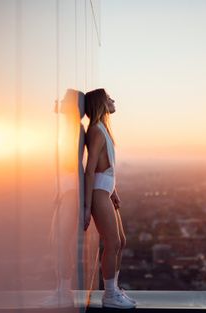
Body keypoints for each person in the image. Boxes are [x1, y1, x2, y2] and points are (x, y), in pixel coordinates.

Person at [83, 88, 136, 309]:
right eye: (108, 98)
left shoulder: (103, 129)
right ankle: (110, 295)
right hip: (98, 194)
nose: (113, 100)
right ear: (101, 103)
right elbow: (90, 169)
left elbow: (106, 167)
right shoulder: (95, 130)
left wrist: (113, 191)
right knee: (112, 243)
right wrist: (87, 207)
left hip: (105, 192)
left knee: (120, 242)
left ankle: (114, 290)